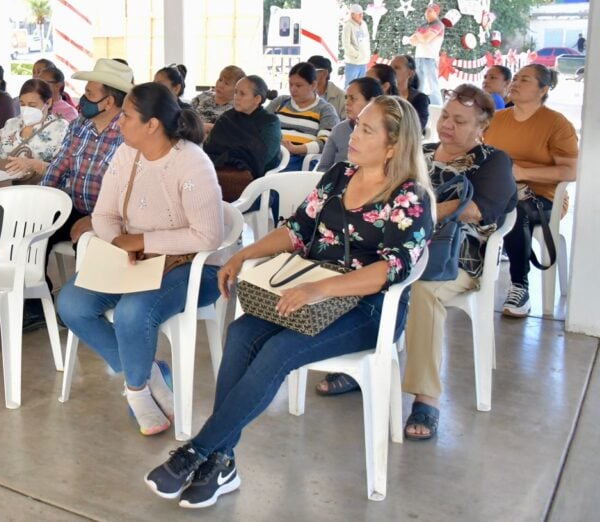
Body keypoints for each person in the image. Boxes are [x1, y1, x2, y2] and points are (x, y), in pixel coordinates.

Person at [145, 95, 434, 508]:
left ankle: (198, 451)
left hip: (366, 310)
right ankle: (223, 460)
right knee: (243, 331)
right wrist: (243, 255)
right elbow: (298, 230)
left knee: (280, 349)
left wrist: (321, 289)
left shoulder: (409, 197)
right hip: (307, 294)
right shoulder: (339, 175)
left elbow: (394, 269)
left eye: (368, 129)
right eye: (358, 123)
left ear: (393, 145)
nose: (354, 132)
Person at [58, 82, 223, 436]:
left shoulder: (192, 163)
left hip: (192, 268)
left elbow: (208, 236)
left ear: (152, 125)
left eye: (127, 116)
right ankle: (148, 373)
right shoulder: (126, 155)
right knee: (71, 303)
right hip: (136, 261)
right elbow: (103, 215)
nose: (119, 123)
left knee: (134, 312)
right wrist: (121, 241)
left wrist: (144, 240)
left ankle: (136, 392)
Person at [398, 84, 517, 439]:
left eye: (459, 121)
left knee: (421, 289)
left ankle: (426, 398)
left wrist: (419, 213)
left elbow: (477, 210)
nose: (447, 125)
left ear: (481, 129)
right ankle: (363, 359)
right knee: (361, 268)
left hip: (456, 260)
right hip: (406, 248)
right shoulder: (421, 153)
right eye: (446, 116)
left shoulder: (493, 161)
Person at [35, 59, 132, 328]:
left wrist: (97, 218)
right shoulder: (79, 125)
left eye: (89, 94)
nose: (82, 101)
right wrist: (40, 202)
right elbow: (60, 164)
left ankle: (85, 312)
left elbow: (131, 188)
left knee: (87, 241)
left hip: (113, 215)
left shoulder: (129, 133)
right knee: (33, 231)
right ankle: (33, 303)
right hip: (75, 204)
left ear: (109, 102)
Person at [483, 64, 578, 318]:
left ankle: (519, 286)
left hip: (542, 199)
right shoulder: (497, 119)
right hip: (499, 194)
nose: (515, 83)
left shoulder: (556, 124)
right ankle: (465, 272)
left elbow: (571, 171)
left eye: (525, 80)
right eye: (515, 78)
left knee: (517, 211)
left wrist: (524, 173)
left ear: (543, 89)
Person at [0, 78, 70, 272]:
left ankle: (11, 280)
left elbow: (65, 170)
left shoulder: (61, 128)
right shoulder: (12, 124)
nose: (26, 109)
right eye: (22, 104)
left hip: (36, 195)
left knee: (1, 217)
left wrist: (33, 164)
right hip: (1, 188)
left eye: (33, 105)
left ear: (48, 103)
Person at [203, 76, 281, 200]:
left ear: (257, 99)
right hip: (220, 170)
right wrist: (232, 155)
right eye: (235, 92)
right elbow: (210, 147)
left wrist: (231, 155)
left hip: (255, 182)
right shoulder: (227, 117)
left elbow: (262, 158)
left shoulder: (269, 123)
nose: (236, 97)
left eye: (242, 94)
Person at [266, 62, 340, 171]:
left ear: (314, 85)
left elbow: (327, 143)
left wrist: (296, 149)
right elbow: (261, 125)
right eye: (290, 84)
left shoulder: (325, 109)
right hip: (271, 154)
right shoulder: (280, 102)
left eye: (298, 85)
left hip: (300, 160)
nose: (293, 89)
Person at [317, 77, 383, 172]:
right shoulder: (339, 130)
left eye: (353, 98)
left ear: (372, 102)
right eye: (346, 98)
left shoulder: (384, 133)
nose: (347, 103)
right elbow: (323, 168)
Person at [407, 4, 445, 105]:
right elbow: (413, 41)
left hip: (430, 59)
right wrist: (420, 36)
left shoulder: (438, 25)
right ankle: (416, 104)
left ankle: (438, 107)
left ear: (436, 12)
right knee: (419, 84)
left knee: (433, 85)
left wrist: (418, 34)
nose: (427, 13)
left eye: (430, 11)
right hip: (419, 57)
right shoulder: (423, 25)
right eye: (427, 10)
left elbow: (425, 39)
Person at [191, 65, 245, 134]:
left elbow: (234, 132)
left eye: (226, 83)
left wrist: (211, 127)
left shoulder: (238, 108)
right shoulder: (203, 96)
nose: (220, 85)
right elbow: (186, 115)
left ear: (236, 89)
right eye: (220, 80)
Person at [391, 55, 431, 132]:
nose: (391, 71)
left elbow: (417, 127)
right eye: (390, 68)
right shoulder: (384, 94)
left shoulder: (420, 99)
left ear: (409, 73)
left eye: (396, 68)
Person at [341, 4, 371, 84]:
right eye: (358, 13)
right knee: (350, 84)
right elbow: (346, 44)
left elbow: (367, 40)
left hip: (363, 61)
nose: (361, 15)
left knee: (362, 85)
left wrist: (367, 54)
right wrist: (357, 55)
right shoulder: (348, 26)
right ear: (352, 14)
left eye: (361, 13)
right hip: (353, 62)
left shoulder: (364, 24)